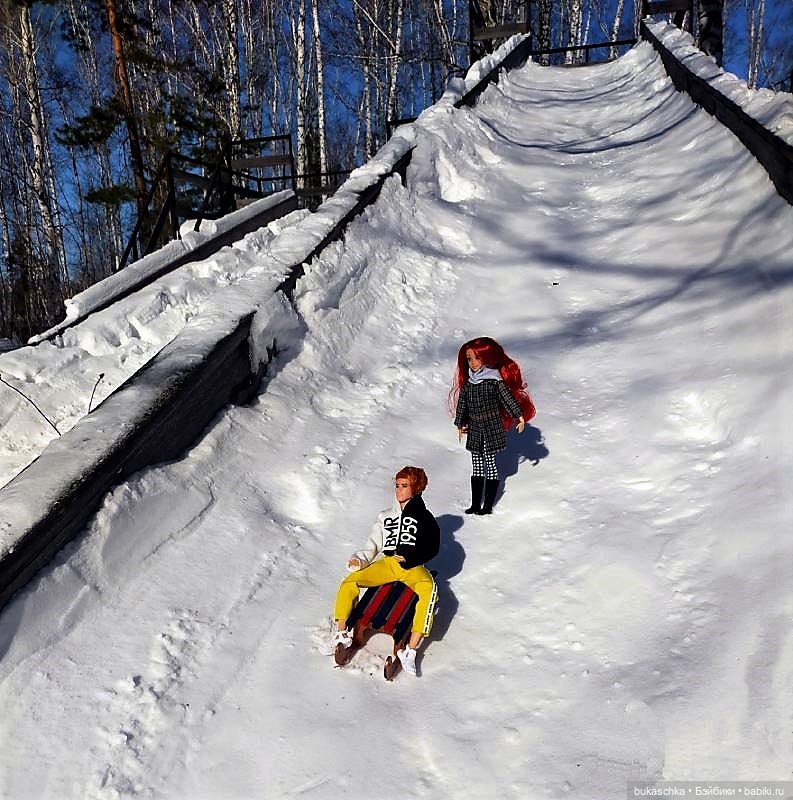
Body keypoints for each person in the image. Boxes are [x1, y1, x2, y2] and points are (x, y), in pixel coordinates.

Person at [333, 466, 440, 677]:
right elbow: (373, 542)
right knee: (350, 581)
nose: (398, 490)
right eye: (397, 485)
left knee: (429, 591)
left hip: (412, 568)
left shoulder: (425, 518)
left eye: (404, 486)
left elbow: (432, 547)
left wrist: (412, 558)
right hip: (388, 564)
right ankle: (342, 632)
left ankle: (410, 649)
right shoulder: (385, 516)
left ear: (416, 488)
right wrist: (360, 559)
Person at [449, 336, 535, 515]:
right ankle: (475, 504)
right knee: (477, 465)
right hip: (475, 429)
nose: (472, 362)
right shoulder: (468, 385)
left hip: (491, 427)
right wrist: (460, 424)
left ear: (487, 358)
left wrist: (518, 416)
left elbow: (508, 400)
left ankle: (487, 505)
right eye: (469, 358)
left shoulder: (495, 382)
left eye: (476, 357)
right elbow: (463, 406)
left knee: (490, 463)